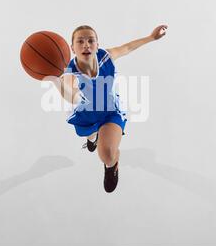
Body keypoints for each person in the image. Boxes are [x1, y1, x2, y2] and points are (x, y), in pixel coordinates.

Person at [53, 24, 167, 193]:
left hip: (110, 111)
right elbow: (71, 96)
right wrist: (55, 79)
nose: (86, 44)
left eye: (91, 40)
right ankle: (92, 139)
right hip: (86, 112)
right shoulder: (70, 72)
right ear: (72, 48)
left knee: (106, 154)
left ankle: (111, 165)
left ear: (97, 45)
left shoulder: (105, 56)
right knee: (89, 134)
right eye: (80, 41)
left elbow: (127, 47)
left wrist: (151, 37)